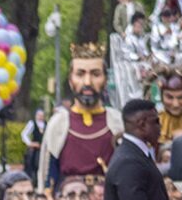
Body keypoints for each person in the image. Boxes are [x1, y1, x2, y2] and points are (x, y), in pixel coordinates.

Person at [36, 44, 119, 192]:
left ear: (105, 79)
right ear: (70, 80)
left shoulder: (117, 121)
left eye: (95, 74)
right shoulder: (59, 123)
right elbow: (48, 173)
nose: (87, 82)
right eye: (80, 74)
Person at [156, 75, 182, 158]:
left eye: (181, 97)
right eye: (169, 97)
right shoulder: (155, 121)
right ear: (161, 96)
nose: (176, 104)